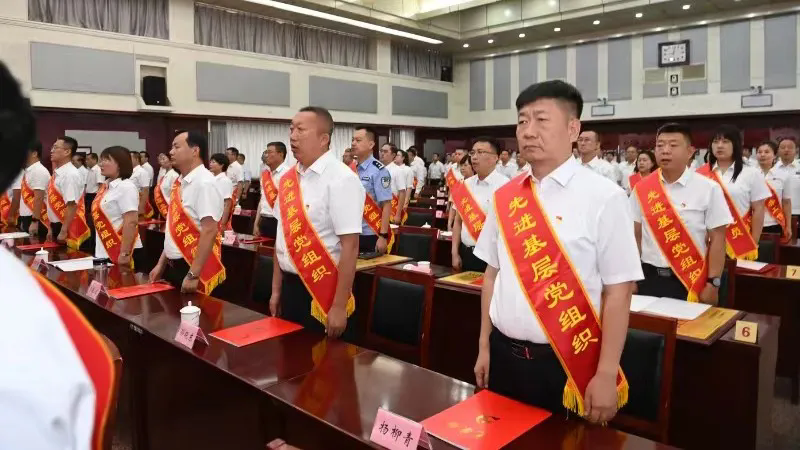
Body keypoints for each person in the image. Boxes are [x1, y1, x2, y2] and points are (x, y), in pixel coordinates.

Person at [473, 80, 642, 422]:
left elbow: (619, 291)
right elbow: (491, 275)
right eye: (522, 121)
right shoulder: (506, 197)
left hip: (566, 362)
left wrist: (607, 373)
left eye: (541, 120)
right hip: (503, 354)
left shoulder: (605, 197)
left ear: (573, 129)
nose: (528, 131)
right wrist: (484, 345)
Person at [0, 61, 110, 450]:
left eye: (61, 147)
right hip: (54, 227)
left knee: (72, 271)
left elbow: (71, 207)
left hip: (71, 230)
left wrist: (57, 228)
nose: (56, 149)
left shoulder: (67, 175)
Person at [270, 106, 365, 340]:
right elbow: (282, 237)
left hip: (324, 290)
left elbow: (351, 246)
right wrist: (276, 290)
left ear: (323, 139)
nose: (292, 136)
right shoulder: (288, 179)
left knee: (323, 362)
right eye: (291, 129)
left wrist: (339, 306)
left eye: (300, 130)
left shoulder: (342, 179)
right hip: (290, 287)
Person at [631, 123, 732, 303]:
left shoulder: (708, 188)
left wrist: (713, 283)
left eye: (673, 145)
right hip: (647, 278)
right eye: (660, 145)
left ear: (690, 151)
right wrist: (631, 277)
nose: (665, 150)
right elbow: (635, 236)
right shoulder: (641, 189)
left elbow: (718, 238)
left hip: (690, 280)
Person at [149, 130, 225, 294]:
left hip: (193, 266)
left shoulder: (204, 183)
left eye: (176, 147)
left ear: (195, 151)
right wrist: (161, 264)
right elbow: (174, 227)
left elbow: (210, 230)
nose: (171, 152)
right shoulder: (180, 182)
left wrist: (193, 274)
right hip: (174, 263)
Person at [698, 125, 769, 259]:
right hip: (706, 241)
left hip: (739, 240)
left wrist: (753, 241)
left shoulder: (751, 173)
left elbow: (758, 209)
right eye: (715, 141)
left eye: (725, 141)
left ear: (735, 144)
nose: (719, 146)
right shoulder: (700, 173)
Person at [451, 138, 508, 273]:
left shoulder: (505, 186)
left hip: (492, 259)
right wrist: (454, 253)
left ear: (495, 158)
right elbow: (458, 221)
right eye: (472, 153)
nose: (474, 157)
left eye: (480, 152)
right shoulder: (465, 185)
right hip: (465, 253)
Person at [93, 146, 144, 269]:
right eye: (101, 160)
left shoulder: (126, 187)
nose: (101, 164)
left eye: (106, 160)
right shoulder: (106, 186)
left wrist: (125, 253)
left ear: (120, 164)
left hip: (122, 249)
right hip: (104, 246)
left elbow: (131, 221)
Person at [352, 126, 392, 253]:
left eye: (358, 140)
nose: (353, 143)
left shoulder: (379, 170)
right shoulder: (351, 168)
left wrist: (383, 236)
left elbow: (387, 204)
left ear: (371, 144)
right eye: (353, 140)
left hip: (370, 232)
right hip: (352, 232)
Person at [47, 136, 91, 248]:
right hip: (57, 224)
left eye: (55, 147)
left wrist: (63, 231)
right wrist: (50, 228)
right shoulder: (59, 172)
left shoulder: (70, 174)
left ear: (67, 152)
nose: (51, 150)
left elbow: (71, 205)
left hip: (67, 226)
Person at [755, 140, 793, 240]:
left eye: (767, 152)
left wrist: (788, 226)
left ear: (775, 155)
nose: (762, 155)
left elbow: (786, 202)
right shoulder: (749, 174)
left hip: (774, 224)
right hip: (752, 224)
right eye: (759, 152)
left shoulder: (783, 175)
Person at [254, 142, 288, 239]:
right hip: (264, 220)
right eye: (266, 152)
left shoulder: (288, 174)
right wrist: (256, 223)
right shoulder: (265, 174)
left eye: (269, 152)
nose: (266, 155)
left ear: (280, 154)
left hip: (279, 222)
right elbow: (262, 200)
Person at [18, 141, 51, 241]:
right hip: (27, 217)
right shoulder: (29, 170)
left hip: (37, 218)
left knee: (36, 248)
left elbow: (38, 198)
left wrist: (34, 221)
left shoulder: (38, 171)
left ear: (34, 153)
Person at [380, 143, 409, 224]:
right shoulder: (378, 169)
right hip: (379, 208)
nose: (382, 153)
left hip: (391, 208)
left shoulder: (398, 170)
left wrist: (398, 214)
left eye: (385, 151)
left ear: (393, 155)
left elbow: (402, 192)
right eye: (381, 151)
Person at [775, 137, 800, 223]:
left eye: (790, 147)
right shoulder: (772, 168)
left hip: (798, 212)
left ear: (796, 150)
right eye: (783, 147)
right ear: (778, 151)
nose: (786, 150)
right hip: (777, 214)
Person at [84, 153, 103, 250]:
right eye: (86, 159)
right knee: (88, 218)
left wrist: (98, 199)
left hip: (94, 196)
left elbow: (101, 185)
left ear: (95, 160)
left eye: (88, 159)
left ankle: (94, 241)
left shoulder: (98, 170)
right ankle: (90, 239)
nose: (86, 161)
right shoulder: (88, 170)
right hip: (88, 195)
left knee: (93, 219)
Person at [209, 153, 233, 231]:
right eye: (210, 162)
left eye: (213, 162)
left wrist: (223, 224)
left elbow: (227, 204)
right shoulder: (209, 178)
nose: (210, 164)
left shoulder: (225, 181)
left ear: (221, 165)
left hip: (217, 217)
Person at [154, 152, 179, 219]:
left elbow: (175, 194)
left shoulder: (174, 175)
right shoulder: (164, 175)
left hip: (169, 208)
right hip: (163, 208)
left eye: (163, 159)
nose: (161, 161)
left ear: (170, 162)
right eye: (161, 159)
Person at [130, 150, 154, 219]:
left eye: (130, 158)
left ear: (137, 159)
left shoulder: (142, 172)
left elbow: (145, 189)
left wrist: (141, 207)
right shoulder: (131, 171)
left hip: (138, 203)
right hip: (131, 202)